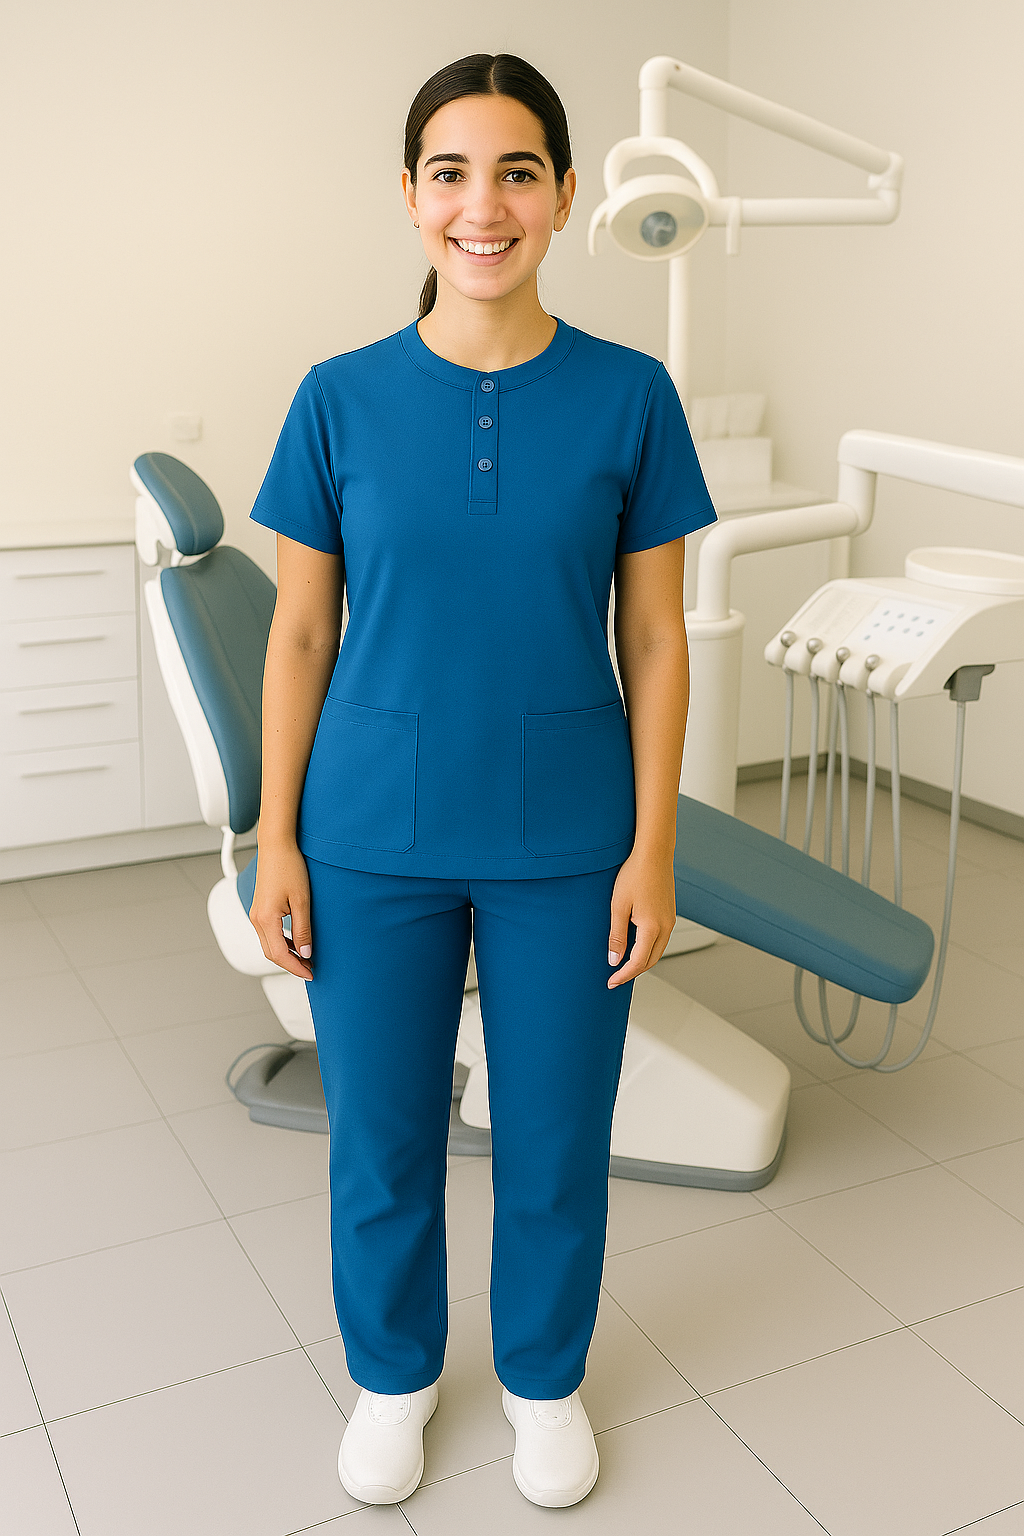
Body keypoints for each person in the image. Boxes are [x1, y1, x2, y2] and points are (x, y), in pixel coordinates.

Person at [248, 51, 716, 1511]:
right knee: (382, 1137)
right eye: (451, 172)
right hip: (369, 833)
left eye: (517, 171)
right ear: (410, 197)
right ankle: (393, 1380)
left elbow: (653, 633)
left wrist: (653, 845)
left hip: (570, 840)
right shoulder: (337, 399)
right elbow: (303, 632)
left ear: (566, 196)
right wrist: (277, 836)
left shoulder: (632, 398)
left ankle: (543, 1385)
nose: (483, 204)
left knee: (558, 1140)